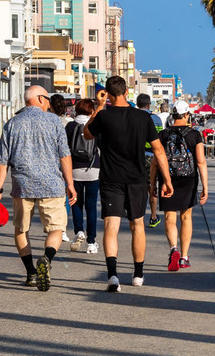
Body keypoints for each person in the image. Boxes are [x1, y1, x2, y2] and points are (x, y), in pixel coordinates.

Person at [85, 75, 172, 292]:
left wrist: (99, 105)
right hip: (136, 179)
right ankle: (138, 274)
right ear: (126, 91)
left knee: (110, 227)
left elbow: (87, 134)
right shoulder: (143, 118)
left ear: (108, 94)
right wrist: (167, 180)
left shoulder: (103, 116)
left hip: (110, 179)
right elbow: (158, 150)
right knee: (137, 226)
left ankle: (113, 275)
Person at [0, 85, 77, 291]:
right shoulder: (55, 121)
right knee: (56, 228)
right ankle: (46, 259)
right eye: (46, 99)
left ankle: (30, 273)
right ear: (39, 98)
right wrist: (70, 184)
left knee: (21, 228)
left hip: (23, 185)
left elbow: (2, 161)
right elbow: (64, 155)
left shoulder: (12, 123)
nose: (48, 103)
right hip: (52, 184)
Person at [155, 101, 208, 270]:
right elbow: (201, 162)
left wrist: (152, 185)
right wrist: (205, 187)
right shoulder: (194, 135)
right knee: (186, 217)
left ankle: (173, 248)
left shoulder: (163, 135)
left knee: (170, 218)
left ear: (172, 115)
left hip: (167, 179)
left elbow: (156, 162)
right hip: (188, 179)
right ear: (187, 115)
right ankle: (184, 257)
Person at [66, 99, 102, 254]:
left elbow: (64, 149)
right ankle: (91, 242)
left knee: (76, 203)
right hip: (93, 169)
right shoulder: (95, 125)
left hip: (74, 170)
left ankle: (79, 231)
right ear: (90, 110)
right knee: (91, 206)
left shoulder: (70, 126)